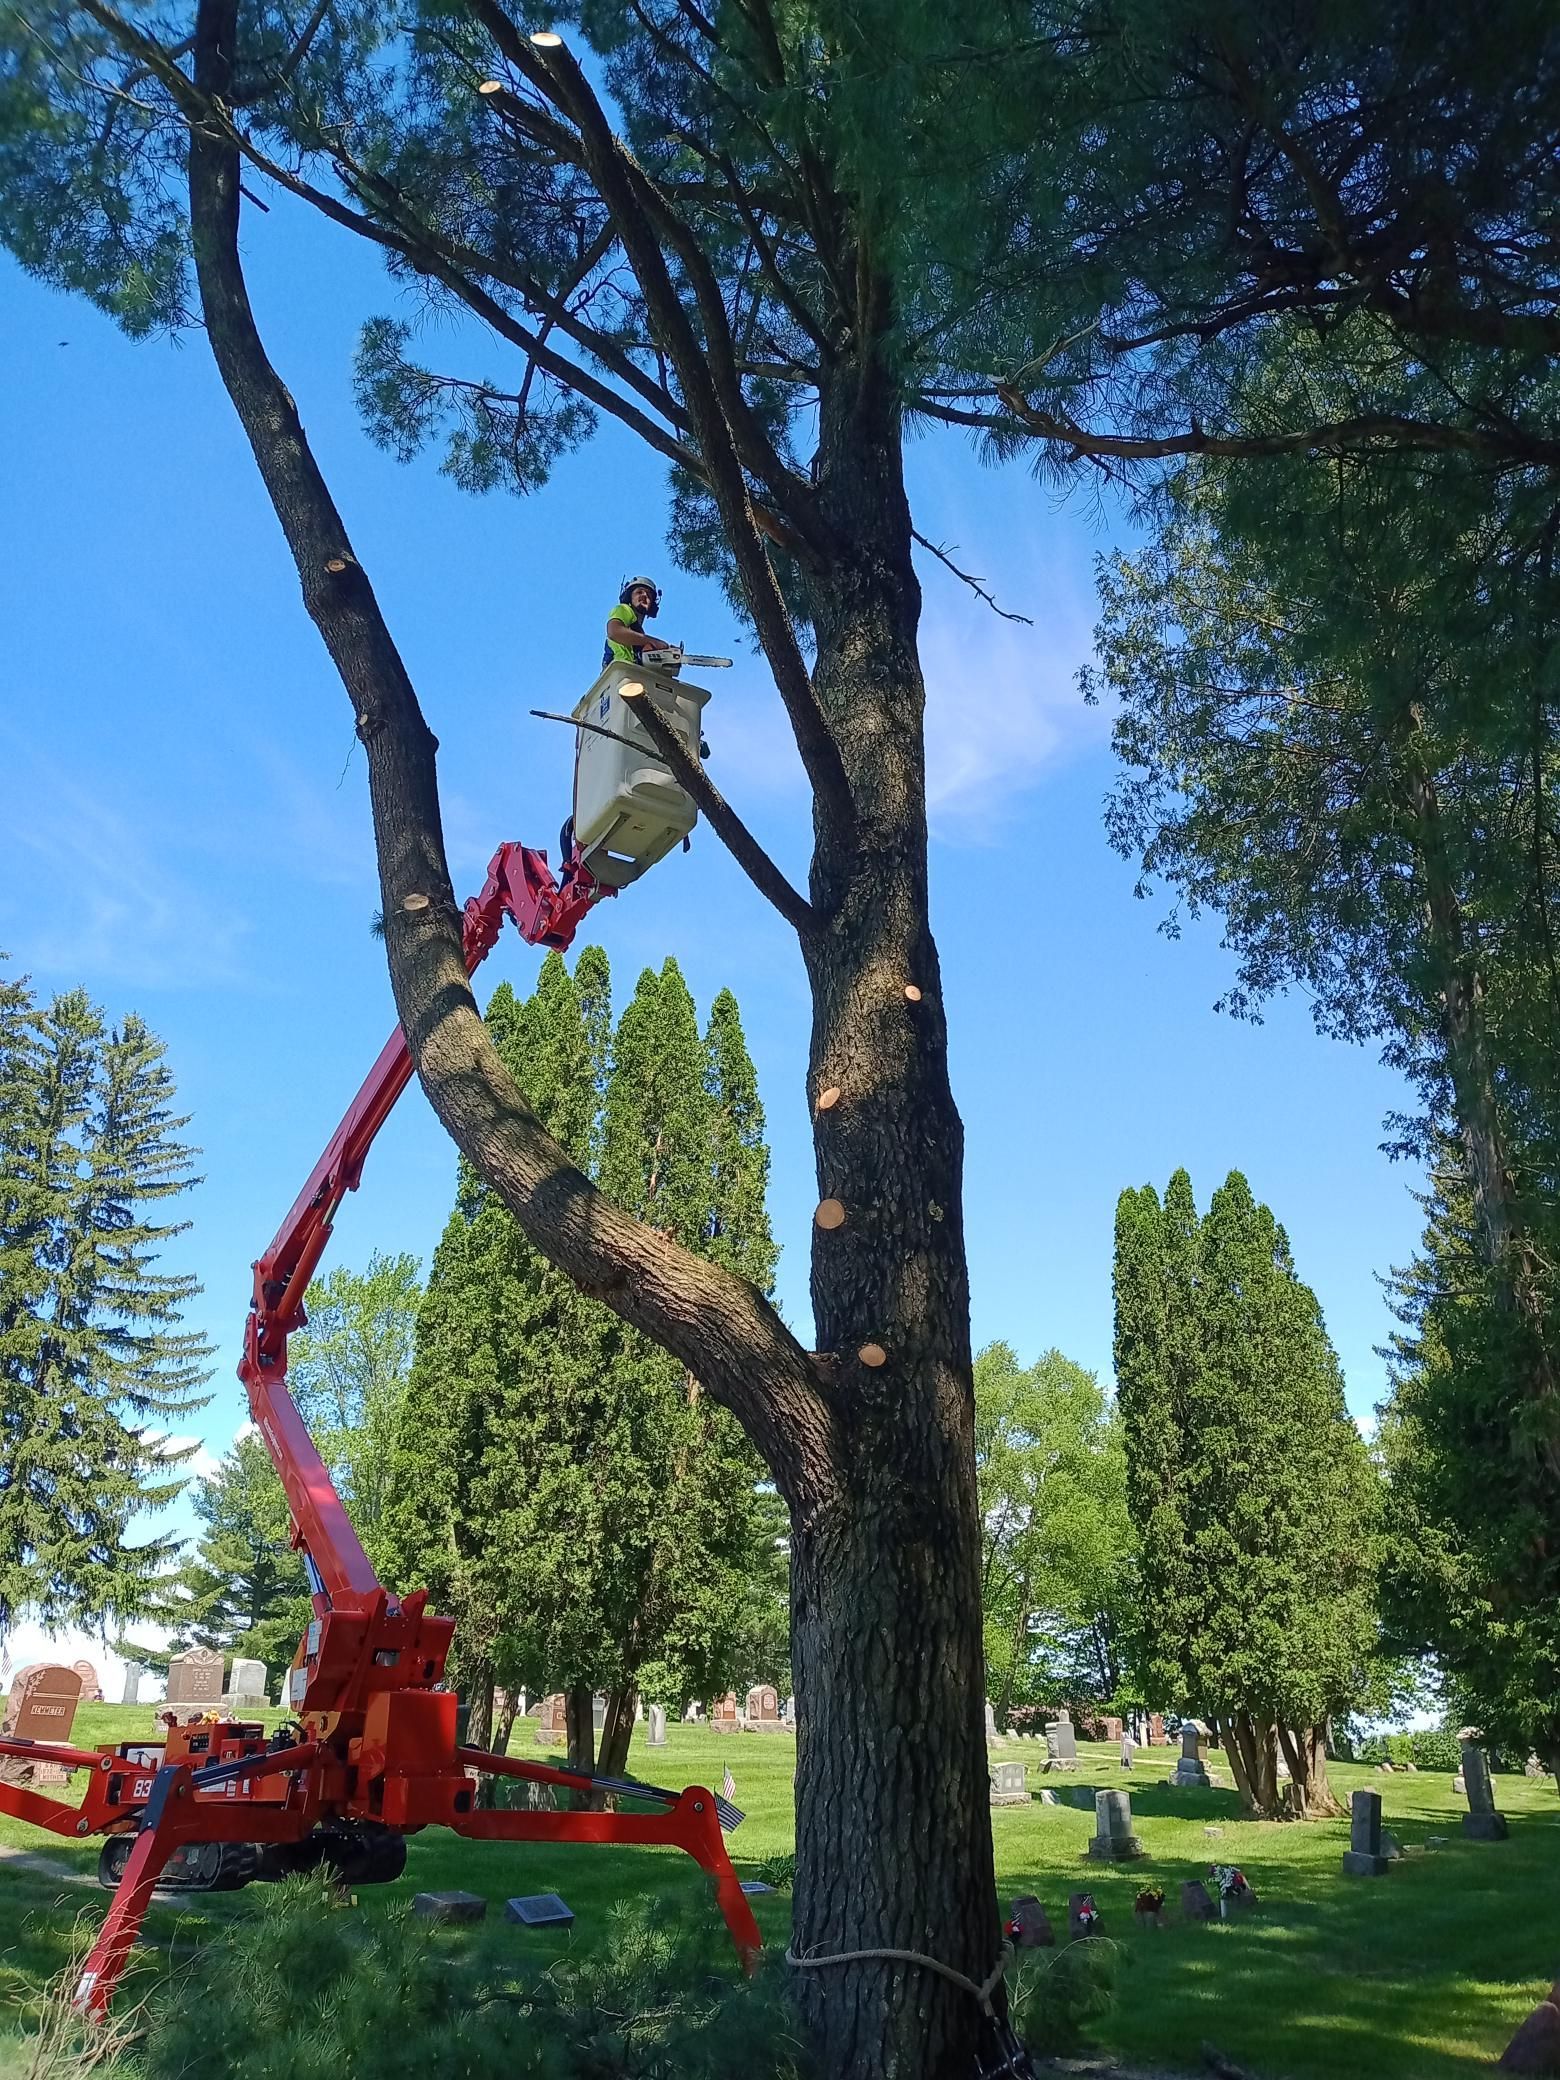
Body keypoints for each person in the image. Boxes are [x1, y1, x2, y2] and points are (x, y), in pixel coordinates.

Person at [603, 575, 672, 667]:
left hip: (630, 673)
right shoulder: (623, 609)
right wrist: (654, 642)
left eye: (648, 595)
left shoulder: (636, 634)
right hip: (618, 672)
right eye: (639, 592)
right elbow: (614, 631)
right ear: (629, 596)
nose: (644, 596)